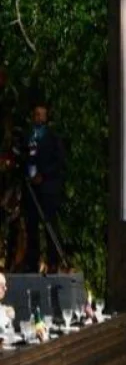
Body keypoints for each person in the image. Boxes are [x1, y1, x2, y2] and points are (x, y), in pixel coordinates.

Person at [20, 104, 66, 273]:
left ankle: (53, 261)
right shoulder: (28, 136)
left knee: (50, 224)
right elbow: (24, 157)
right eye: (36, 114)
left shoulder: (53, 137)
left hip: (47, 187)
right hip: (31, 188)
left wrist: (44, 175)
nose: (38, 117)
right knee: (31, 225)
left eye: (41, 114)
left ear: (46, 117)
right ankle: (32, 262)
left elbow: (59, 161)